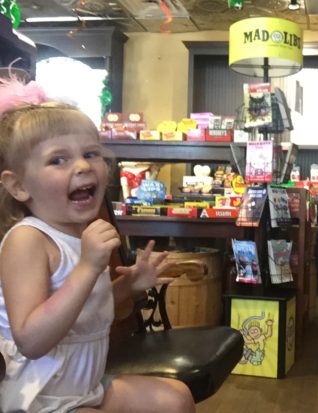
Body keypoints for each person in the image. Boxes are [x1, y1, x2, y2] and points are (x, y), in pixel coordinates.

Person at [0, 77, 196, 413]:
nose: (82, 165)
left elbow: (86, 306)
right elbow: (31, 340)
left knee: (176, 398)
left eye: (91, 153)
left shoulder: (80, 235)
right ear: (18, 186)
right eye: (57, 160)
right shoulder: (28, 240)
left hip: (83, 387)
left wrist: (128, 286)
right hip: (39, 396)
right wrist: (89, 267)